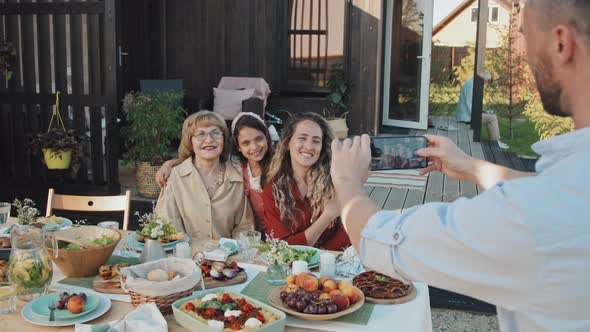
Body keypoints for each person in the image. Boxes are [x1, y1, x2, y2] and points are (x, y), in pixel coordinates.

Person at [330, 1, 590, 330]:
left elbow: (378, 240)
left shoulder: (532, 216)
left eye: (525, 35)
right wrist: (471, 167)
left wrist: (346, 182)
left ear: (561, 43)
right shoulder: (567, 189)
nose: (524, 57)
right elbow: (555, 191)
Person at [156, 112, 273, 235]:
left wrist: (229, 251)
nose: (209, 140)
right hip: (185, 253)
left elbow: (245, 227)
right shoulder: (175, 177)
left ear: (224, 139)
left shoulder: (237, 174)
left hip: (230, 253)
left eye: (215, 133)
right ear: (190, 141)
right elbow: (166, 226)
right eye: (201, 134)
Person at [262, 112, 350, 251]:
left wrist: (321, 257)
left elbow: (345, 234)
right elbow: (283, 247)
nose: (309, 146)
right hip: (290, 268)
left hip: (332, 263)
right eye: (302, 138)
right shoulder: (272, 190)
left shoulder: (335, 182)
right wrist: (328, 215)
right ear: (287, 143)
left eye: (316, 141)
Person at [456, 71, 510, 149]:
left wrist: (482, 112)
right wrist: (480, 113)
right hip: (466, 117)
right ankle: (496, 142)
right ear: (483, 78)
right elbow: (469, 105)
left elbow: (472, 104)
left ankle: (496, 141)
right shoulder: (471, 85)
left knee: (490, 116)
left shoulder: (472, 83)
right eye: (486, 81)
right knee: (492, 118)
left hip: (467, 114)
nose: (486, 83)